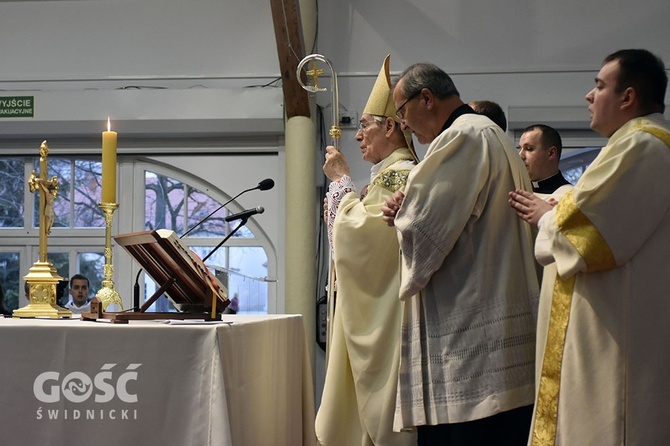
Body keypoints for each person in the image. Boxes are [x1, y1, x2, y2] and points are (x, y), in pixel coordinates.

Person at [509, 49, 670, 445]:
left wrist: (546, 217)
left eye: (599, 86)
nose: (588, 95)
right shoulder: (630, 144)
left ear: (627, 97)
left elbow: (585, 239)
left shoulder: (643, 146)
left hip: (615, 336)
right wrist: (557, 212)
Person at [382, 63, 539, 445]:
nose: (404, 125)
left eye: (402, 112)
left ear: (427, 99)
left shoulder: (461, 137)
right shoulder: (494, 136)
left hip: (470, 348)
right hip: (498, 344)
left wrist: (403, 213)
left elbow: (424, 233)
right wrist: (413, 204)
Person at [315, 54, 418, 446]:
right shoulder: (385, 177)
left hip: (387, 310)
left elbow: (367, 239)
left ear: (391, 127)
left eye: (364, 126)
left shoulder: (402, 174)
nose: (358, 136)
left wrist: (341, 182)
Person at [518, 124, 572, 200]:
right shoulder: (517, 191)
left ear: (551, 153)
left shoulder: (569, 197)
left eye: (529, 148)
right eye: (520, 148)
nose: (520, 156)